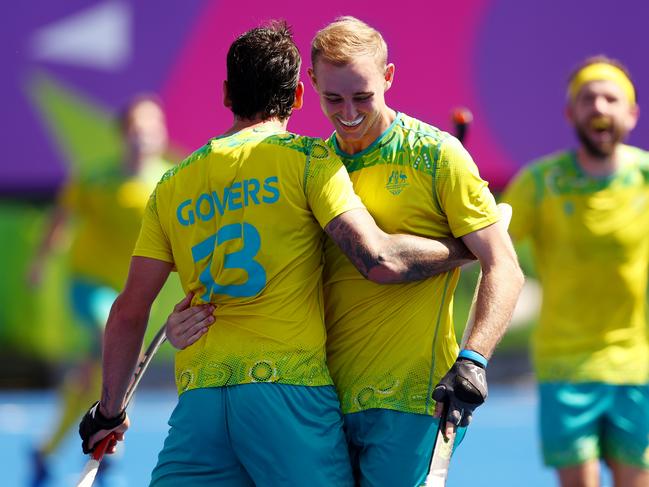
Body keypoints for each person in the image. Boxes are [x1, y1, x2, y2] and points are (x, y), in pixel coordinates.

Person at [77, 21, 482, 487]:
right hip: (288, 396)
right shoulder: (310, 160)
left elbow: (128, 310)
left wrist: (109, 410)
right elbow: (379, 260)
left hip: (202, 399)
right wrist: (460, 248)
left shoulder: (171, 183)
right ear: (299, 96)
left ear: (226, 94)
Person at [503, 55, 649, 487]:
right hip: (565, 365)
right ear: (571, 113)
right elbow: (490, 238)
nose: (599, 107)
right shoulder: (540, 182)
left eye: (610, 98)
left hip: (636, 367)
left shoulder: (645, 177)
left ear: (631, 114)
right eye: (588, 99)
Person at [27, 94, 169, 486]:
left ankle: (45, 450)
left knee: (95, 374)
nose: (144, 138)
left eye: (152, 129)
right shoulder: (96, 178)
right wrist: (40, 264)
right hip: (88, 288)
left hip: (133, 294)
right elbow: (61, 220)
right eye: (137, 130)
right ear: (124, 135)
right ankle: (110, 450)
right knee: (120, 350)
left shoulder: (169, 180)